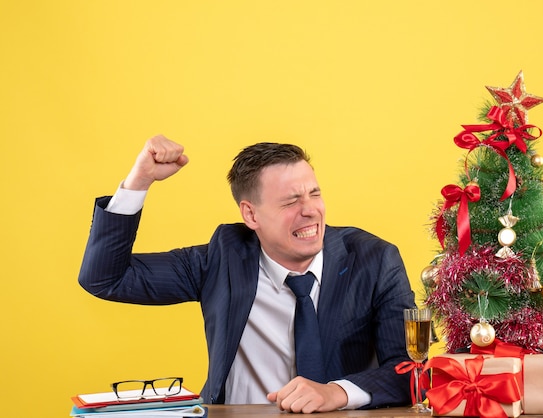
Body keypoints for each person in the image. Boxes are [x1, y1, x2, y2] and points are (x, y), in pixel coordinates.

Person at [78, 135, 415, 413]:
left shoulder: (374, 260)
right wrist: (139, 182)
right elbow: (106, 279)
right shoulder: (222, 258)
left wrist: (335, 393)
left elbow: (410, 370)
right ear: (251, 215)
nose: (310, 210)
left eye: (314, 193)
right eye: (290, 202)